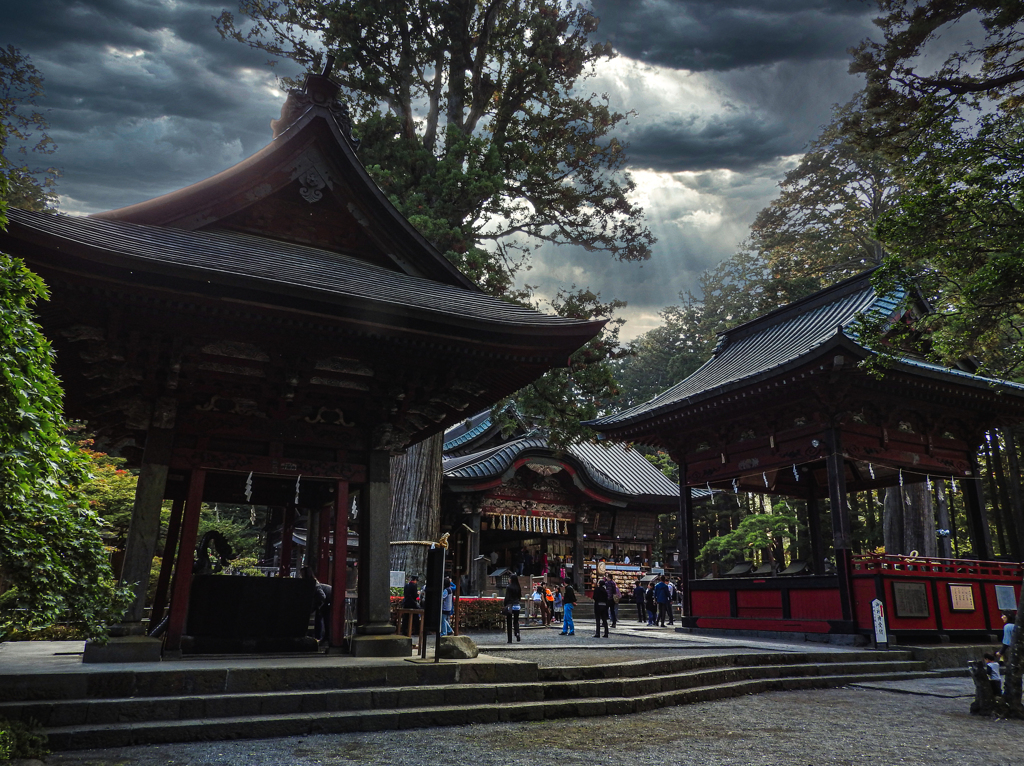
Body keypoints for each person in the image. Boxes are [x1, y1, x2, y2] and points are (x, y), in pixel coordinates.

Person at [301, 567, 332, 643]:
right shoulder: (312, 583)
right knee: (321, 618)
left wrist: (318, 606)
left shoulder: (315, 584)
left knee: (321, 617)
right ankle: (322, 636)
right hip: (326, 599)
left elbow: (322, 596)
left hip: (328, 599)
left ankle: (319, 637)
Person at [504, 575, 523, 643]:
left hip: (510, 605)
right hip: (517, 605)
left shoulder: (509, 587)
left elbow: (507, 597)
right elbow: (519, 596)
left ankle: (510, 639)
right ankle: (517, 633)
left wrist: (505, 605)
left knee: (509, 622)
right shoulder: (518, 587)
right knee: (516, 621)